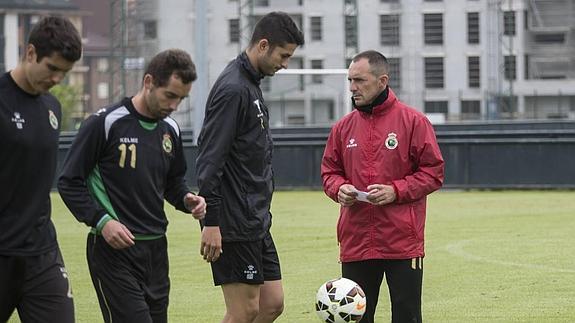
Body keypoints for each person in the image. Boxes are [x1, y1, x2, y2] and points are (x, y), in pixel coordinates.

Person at [57, 49, 206, 323]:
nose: (175, 106)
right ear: (148, 82)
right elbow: (69, 182)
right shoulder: (105, 123)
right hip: (113, 253)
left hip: (156, 252)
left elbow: (173, 182)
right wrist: (102, 222)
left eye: (181, 99)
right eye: (170, 95)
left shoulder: (170, 129)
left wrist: (187, 198)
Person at [321, 50, 445, 323]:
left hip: (402, 241)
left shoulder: (414, 122)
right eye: (350, 80)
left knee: (407, 317)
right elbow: (329, 172)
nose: (353, 87)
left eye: (360, 80)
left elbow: (433, 172)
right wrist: (339, 188)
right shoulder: (342, 128)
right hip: (356, 241)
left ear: (382, 81)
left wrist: (396, 190)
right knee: (356, 318)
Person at [196, 11, 304, 323]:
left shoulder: (251, 85)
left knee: (272, 303)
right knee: (244, 311)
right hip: (232, 221)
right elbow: (209, 158)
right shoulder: (233, 89)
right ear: (263, 45)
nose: (285, 64)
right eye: (283, 56)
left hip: (255, 219)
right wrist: (211, 222)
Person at [0, 16, 82, 323]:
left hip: (41, 254)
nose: (58, 79)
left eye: (65, 72)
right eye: (52, 68)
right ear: (31, 52)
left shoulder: (52, 107)